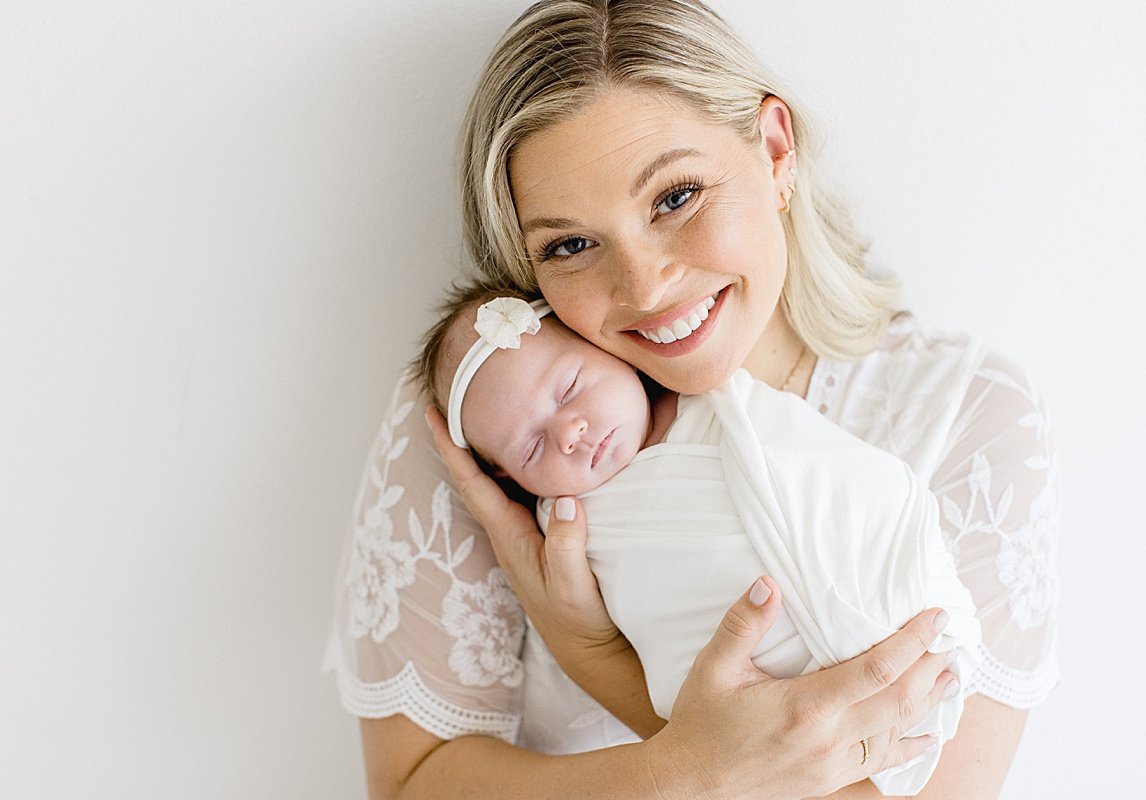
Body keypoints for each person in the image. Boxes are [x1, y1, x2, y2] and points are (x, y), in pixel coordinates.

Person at [324, 1, 1060, 797]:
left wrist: (610, 673)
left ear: (776, 152)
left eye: (675, 198)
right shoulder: (494, 413)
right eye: (571, 245)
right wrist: (673, 767)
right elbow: (410, 785)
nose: (643, 286)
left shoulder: (967, 420)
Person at [414, 284, 982, 795]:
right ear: (511, 480)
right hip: (755, 689)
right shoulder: (571, 534)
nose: (569, 432)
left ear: (609, 354)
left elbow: (841, 480)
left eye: (569, 388)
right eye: (532, 447)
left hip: (883, 610)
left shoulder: (722, 402)